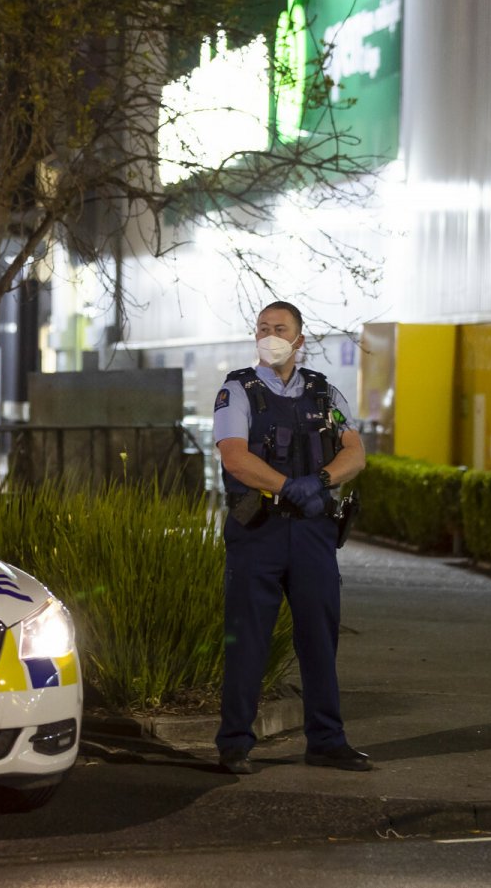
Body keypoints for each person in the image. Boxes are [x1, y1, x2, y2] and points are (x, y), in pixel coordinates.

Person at [211, 300, 369, 775]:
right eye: (263, 327)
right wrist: (288, 487)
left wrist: (318, 482)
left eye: (280, 328)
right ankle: (235, 743)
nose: (270, 334)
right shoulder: (237, 391)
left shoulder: (325, 395)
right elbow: (234, 458)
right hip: (258, 531)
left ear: (300, 339)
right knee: (247, 642)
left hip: (313, 534)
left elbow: (355, 452)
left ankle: (326, 740)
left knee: (320, 639)